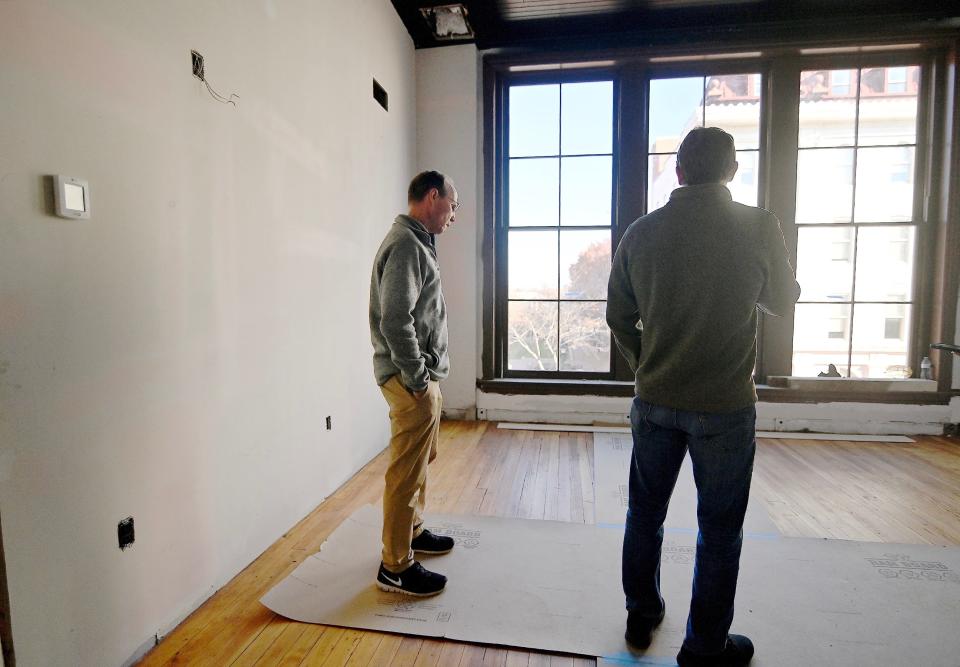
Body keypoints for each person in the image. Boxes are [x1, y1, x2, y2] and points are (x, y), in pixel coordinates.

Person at [606, 127, 800, 666]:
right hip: (725, 406)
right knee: (719, 532)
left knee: (644, 515)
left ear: (678, 171)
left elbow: (618, 314)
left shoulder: (640, 232)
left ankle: (641, 615)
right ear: (732, 171)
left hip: (655, 399)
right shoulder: (759, 227)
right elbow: (784, 301)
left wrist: (646, 360)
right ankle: (704, 648)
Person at [369, 170, 459, 597]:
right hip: (411, 378)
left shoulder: (418, 242)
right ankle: (395, 565)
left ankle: (413, 532)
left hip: (420, 374)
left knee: (422, 458)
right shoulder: (406, 244)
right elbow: (394, 319)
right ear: (433, 196)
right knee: (406, 469)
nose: (453, 215)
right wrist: (418, 379)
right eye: (452, 206)